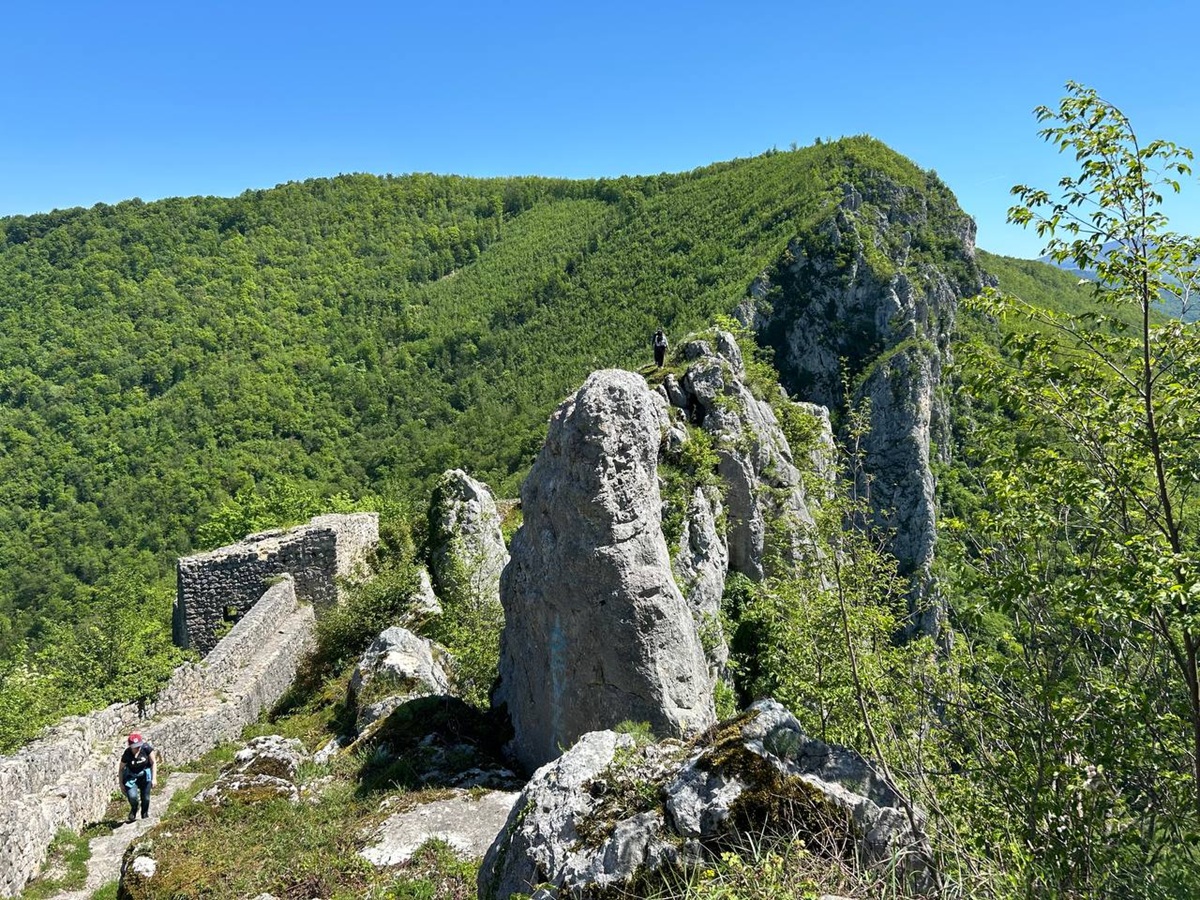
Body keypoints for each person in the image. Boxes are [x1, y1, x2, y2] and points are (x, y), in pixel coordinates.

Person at [118, 732, 156, 823]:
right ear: (130, 746)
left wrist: (154, 778)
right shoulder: (127, 754)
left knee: (146, 798)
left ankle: (144, 814)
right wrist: (121, 784)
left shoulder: (146, 748)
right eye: (135, 747)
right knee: (132, 796)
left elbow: (153, 762)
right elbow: (121, 769)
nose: (138, 748)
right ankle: (134, 808)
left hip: (145, 776)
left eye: (139, 746)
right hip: (132, 777)